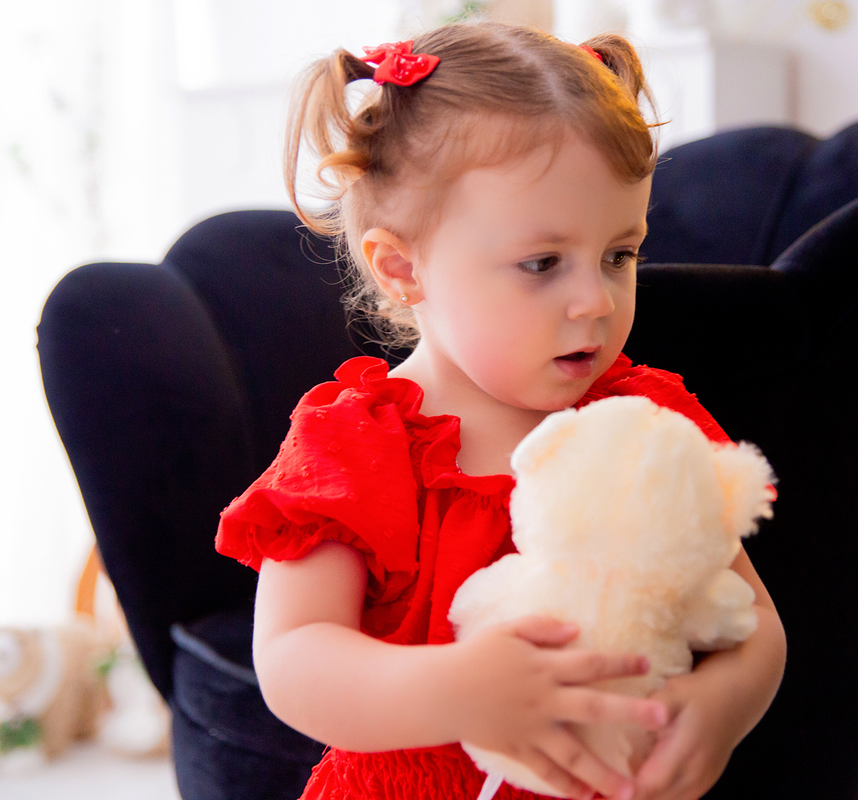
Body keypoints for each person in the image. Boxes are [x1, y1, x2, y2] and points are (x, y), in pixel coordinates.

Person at [215, 20, 786, 800]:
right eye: (542, 263)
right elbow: (292, 659)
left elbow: (755, 626)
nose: (593, 300)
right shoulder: (358, 443)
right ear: (403, 266)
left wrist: (720, 707)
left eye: (620, 254)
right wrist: (456, 686)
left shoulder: (639, 425)